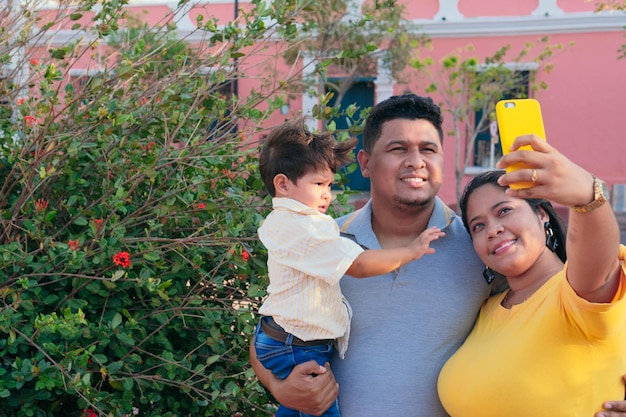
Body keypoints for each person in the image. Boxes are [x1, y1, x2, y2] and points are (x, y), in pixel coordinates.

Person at [250, 93, 626, 417]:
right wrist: (277, 385)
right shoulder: (324, 239)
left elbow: (590, 295)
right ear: (365, 163)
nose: (416, 161)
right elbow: (276, 320)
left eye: (428, 149)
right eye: (398, 149)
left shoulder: (480, 247)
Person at [254, 119, 444, 417]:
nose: (327, 194)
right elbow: (357, 265)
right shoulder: (308, 229)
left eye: (329, 185)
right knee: (318, 407)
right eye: (318, 184)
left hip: (291, 340)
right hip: (297, 345)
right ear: (282, 184)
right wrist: (410, 251)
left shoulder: (296, 226)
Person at [437, 136, 626, 416]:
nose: (493, 230)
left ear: (542, 214)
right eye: (478, 226)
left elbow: (597, 262)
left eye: (504, 211)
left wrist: (587, 197)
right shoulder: (486, 310)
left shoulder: (574, 295)